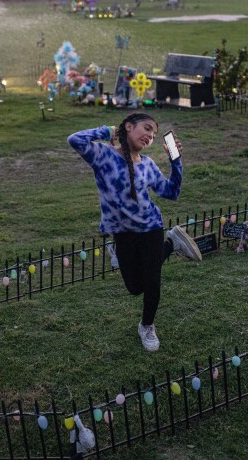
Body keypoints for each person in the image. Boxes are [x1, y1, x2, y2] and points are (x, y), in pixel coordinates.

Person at [68, 113, 202, 352]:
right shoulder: (103, 156)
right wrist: (108, 131)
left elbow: (171, 192)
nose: (149, 136)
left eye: (153, 134)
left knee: (152, 281)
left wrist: (176, 161)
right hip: (122, 233)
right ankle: (171, 244)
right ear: (128, 127)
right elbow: (75, 140)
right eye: (146, 129)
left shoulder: (147, 165)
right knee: (134, 287)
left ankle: (147, 325)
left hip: (150, 228)